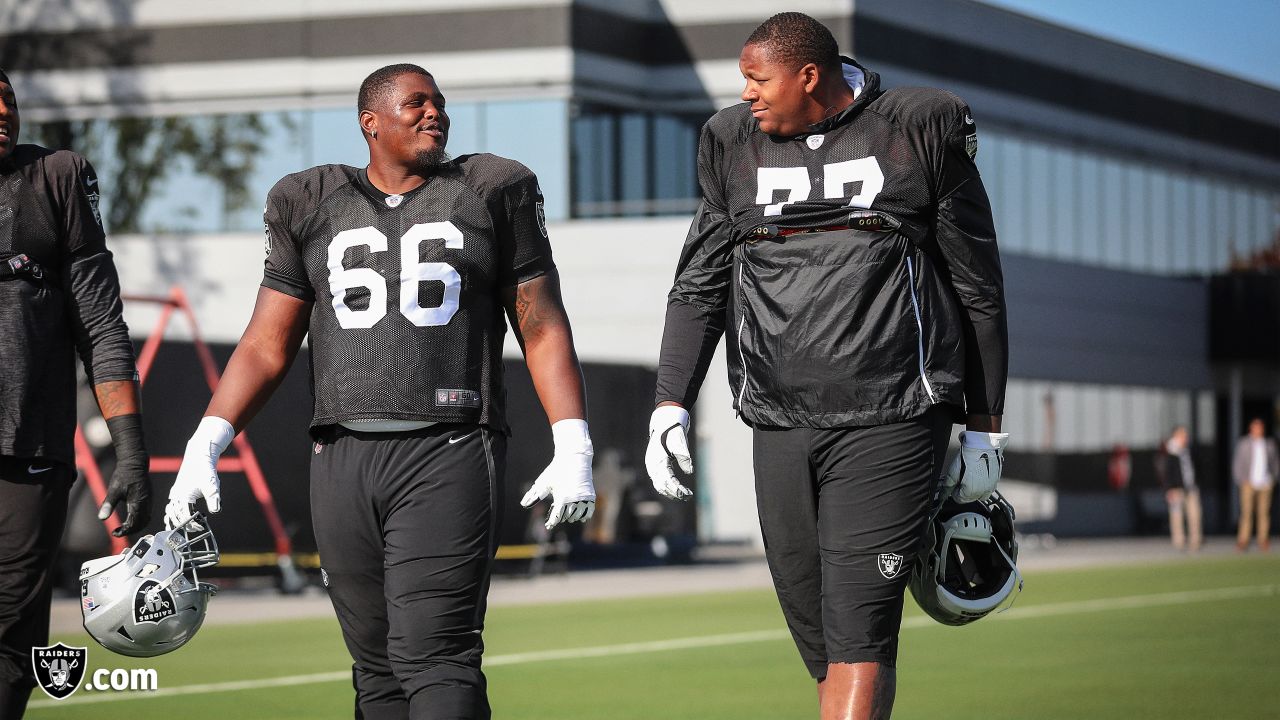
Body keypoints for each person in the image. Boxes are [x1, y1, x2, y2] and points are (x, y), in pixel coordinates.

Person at [164, 64, 595, 719]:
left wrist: (573, 442)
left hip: (448, 445)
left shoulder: (491, 188)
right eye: (415, 103)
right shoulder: (308, 201)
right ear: (370, 121)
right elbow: (265, 343)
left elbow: (540, 324)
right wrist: (207, 440)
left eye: (440, 103)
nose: (435, 114)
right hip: (340, 453)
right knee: (376, 673)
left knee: (437, 655)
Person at [644, 13, 1008, 720]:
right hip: (779, 417)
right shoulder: (729, 142)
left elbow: (977, 287)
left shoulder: (916, 126)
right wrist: (669, 402)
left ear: (808, 75)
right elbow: (699, 284)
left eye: (758, 80)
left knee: (859, 634)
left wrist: (984, 430)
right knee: (823, 643)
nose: (746, 95)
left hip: (894, 413)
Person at [0, 68, 152, 718]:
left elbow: (101, 323)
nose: (2, 111)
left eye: (6, 99)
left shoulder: (55, 178)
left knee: (11, 637)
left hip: (25, 451)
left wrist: (133, 453)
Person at [1232, 418, 1278, 552]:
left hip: (1265, 483)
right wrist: (1241, 479)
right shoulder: (1244, 444)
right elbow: (1237, 463)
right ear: (1251, 429)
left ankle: (1263, 539)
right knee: (1246, 513)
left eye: (1260, 427)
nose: (1259, 430)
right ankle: (1243, 540)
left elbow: (1275, 463)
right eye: (1256, 427)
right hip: (1248, 483)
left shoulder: (1269, 444)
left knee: (1263, 513)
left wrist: (1273, 478)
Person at [1156, 426, 1201, 551]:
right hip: (1175, 489)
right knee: (1177, 516)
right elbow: (1165, 473)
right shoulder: (1169, 452)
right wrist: (1168, 489)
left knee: (1194, 514)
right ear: (1176, 436)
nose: (1185, 438)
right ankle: (1179, 541)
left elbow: (1196, 467)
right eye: (1182, 435)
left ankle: (1195, 540)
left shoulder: (1189, 450)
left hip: (1191, 487)